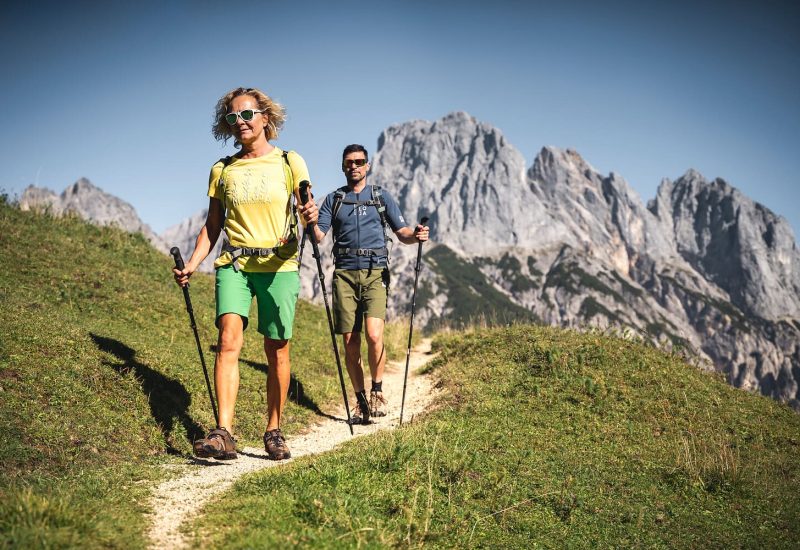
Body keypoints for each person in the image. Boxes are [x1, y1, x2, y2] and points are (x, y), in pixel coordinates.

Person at [173, 87, 318, 460]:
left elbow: (307, 211)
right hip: (234, 265)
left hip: (279, 266)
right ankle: (223, 433)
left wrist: (310, 218)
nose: (240, 122)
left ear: (265, 118)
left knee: (277, 348)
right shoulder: (222, 170)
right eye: (232, 117)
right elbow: (213, 225)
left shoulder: (289, 162)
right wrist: (192, 263)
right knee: (227, 341)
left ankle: (274, 431)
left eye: (247, 114)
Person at [313, 144, 429, 424]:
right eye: (349, 162)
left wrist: (416, 235)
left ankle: (377, 390)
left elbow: (402, 232)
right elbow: (318, 236)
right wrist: (308, 218)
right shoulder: (334, 199)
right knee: (350, 341)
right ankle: (361, 400)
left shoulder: (380, 196)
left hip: (375, 272)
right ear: (343, 166)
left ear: (368, 165)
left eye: (359, 161)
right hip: (344, 274)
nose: (354, 166)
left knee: (374, 335)